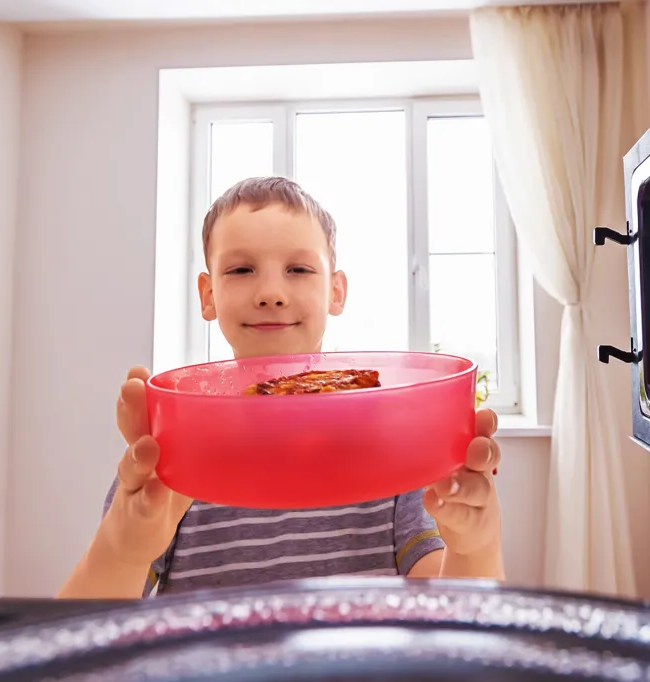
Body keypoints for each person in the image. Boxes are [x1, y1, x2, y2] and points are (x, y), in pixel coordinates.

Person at [58, 177, 504, 599]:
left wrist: (474, 546)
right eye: (241, 269)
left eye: (297, 268)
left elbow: (450, 619)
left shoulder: (394, 449)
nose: (271, 292)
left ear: (336, 291)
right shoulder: (174, 454)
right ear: (208, 295)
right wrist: (123, 548)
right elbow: (80, 644)